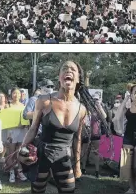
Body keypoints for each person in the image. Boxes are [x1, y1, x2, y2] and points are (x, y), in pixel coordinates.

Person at [19, 61, 88, 193]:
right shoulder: (44, 100)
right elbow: (33, 129)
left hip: (64, 157)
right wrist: (21, 150)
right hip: (42, 154)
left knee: (69, 190)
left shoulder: (82, 109)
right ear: (59, 77)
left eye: (73, 69)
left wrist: (78, 165)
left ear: (78, 78)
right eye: (64, 69)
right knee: (37, 191)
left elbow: (77, 139)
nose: (68, 70)